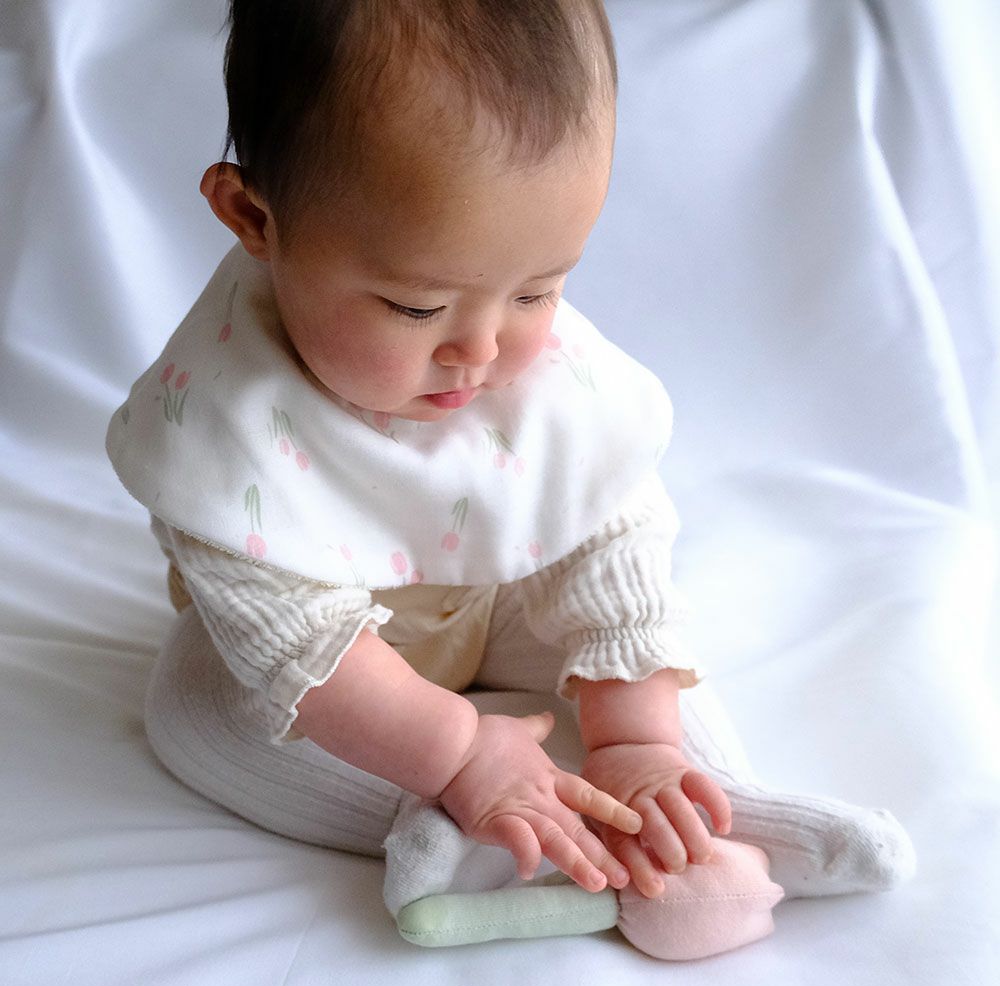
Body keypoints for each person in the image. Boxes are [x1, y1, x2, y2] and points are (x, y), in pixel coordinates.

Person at [106, 0, 914, 936]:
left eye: (538, 290)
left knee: (629, 649)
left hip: (489, 600)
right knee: (201, 715)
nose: (481, 351)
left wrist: (634, 734)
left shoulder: (530, 364)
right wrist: (456, 756)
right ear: (255, 216)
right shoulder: (219, 419)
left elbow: (606, 535)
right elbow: (294, 639)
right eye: (417, 307)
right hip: (321, 661)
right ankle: (462, 826)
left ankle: (702, 805)